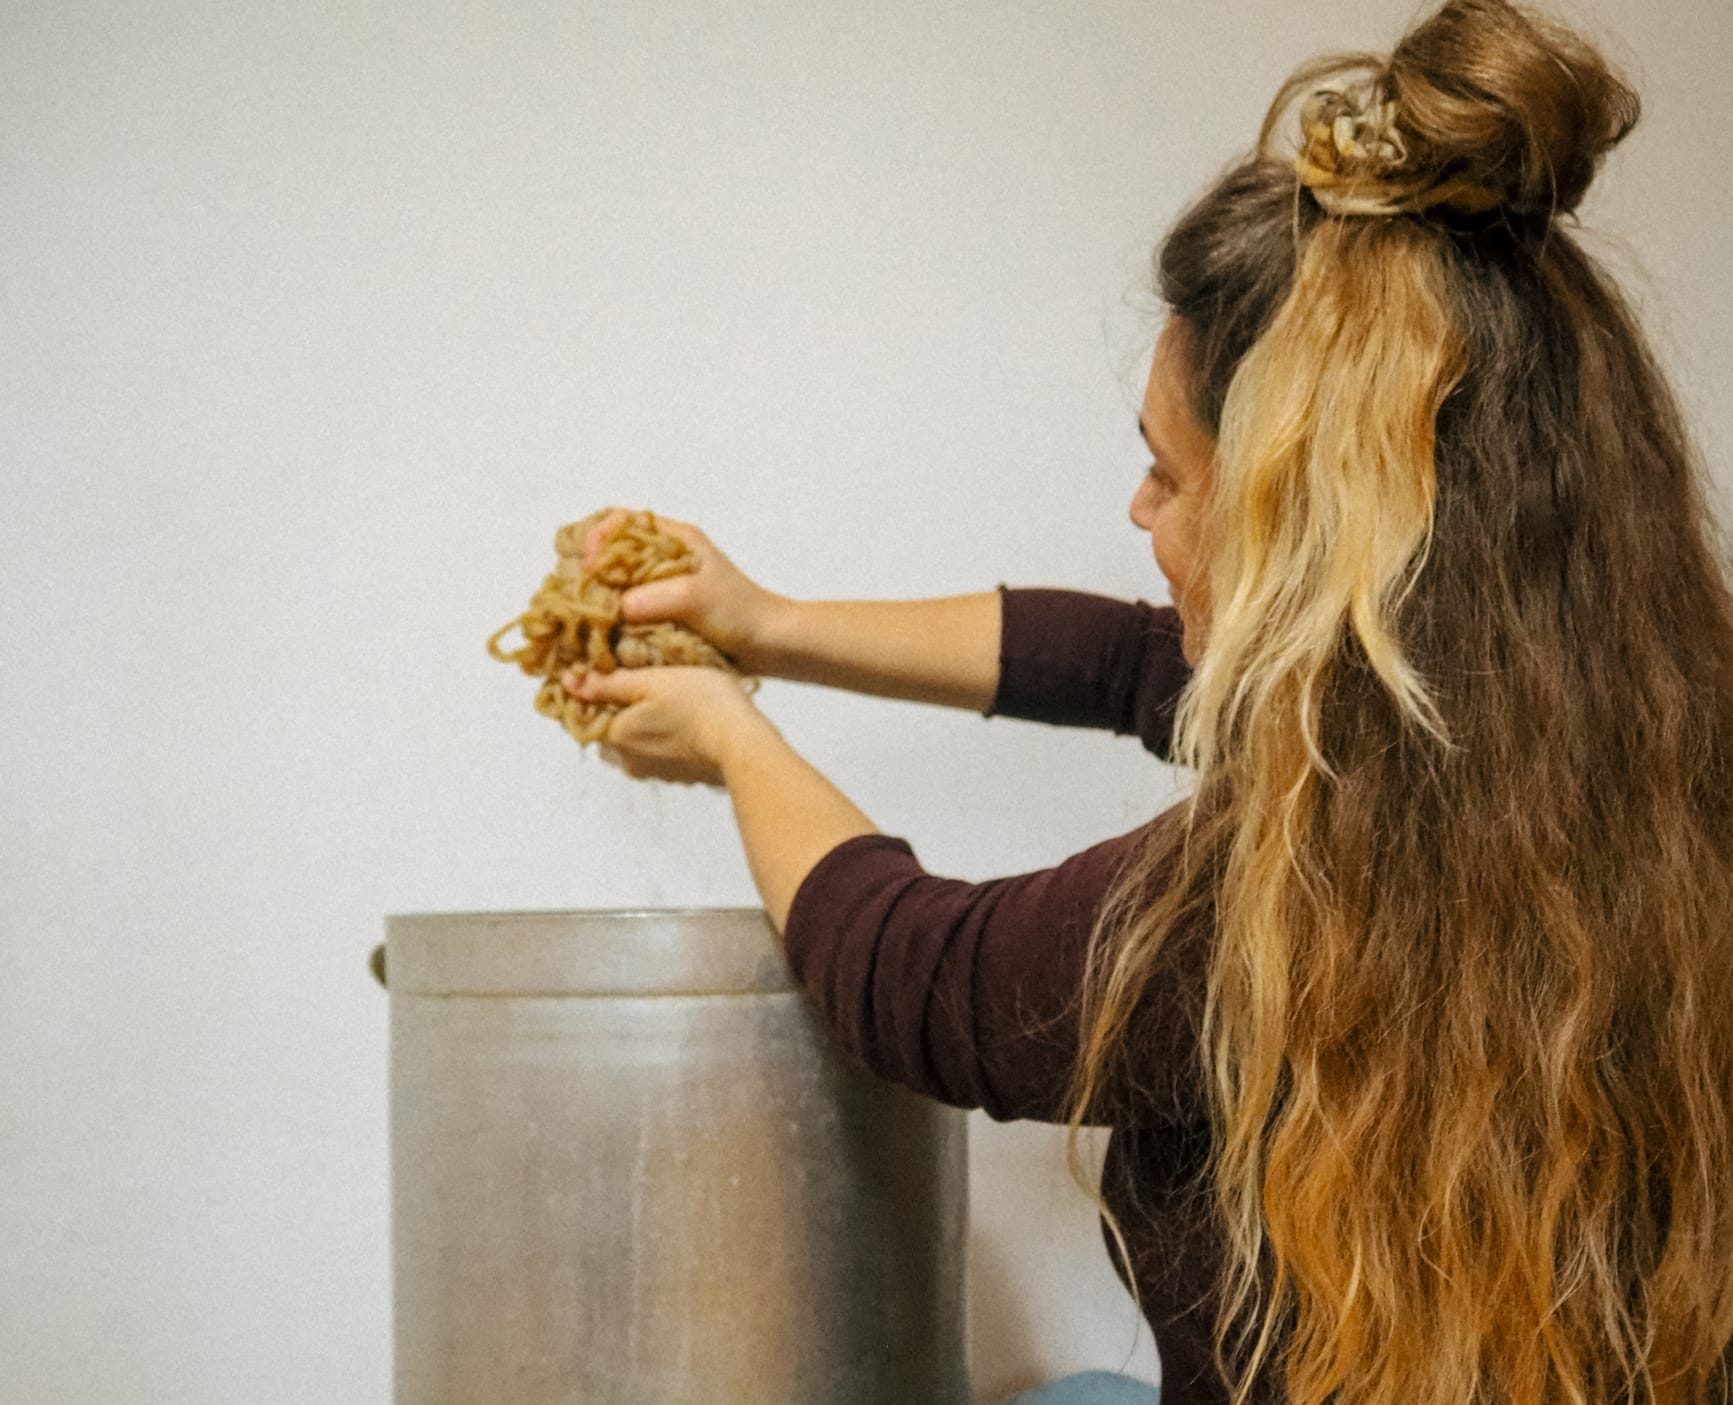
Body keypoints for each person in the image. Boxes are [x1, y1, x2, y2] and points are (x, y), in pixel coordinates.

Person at [564, 1, 1733, 1401]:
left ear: (1302, 520)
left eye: (1170, 476)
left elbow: (917, 974)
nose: (1139, 510)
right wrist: (770, 626)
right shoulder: (1644, 752)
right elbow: (1129, 665)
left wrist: (729, 734)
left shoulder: (1281, 899)